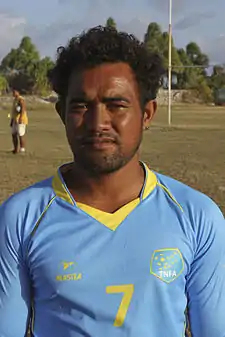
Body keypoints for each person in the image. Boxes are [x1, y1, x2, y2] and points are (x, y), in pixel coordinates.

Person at [0, 26, 224, 337]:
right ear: (62, 114)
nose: (97, 123)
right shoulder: (20, 218)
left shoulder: (198, 217)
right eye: (80, 106)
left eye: (116, 105)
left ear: (147, 113)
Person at [10, 89, 28, 153]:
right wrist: (12, 120)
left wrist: (20, 118)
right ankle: (15, 149)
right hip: (15, 119)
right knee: (13, 134)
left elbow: (23, 109)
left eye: (14, 92)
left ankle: (22, 148)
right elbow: (14, 111)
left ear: (18, 92)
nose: (13, 93)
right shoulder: (15, 100)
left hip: (21, 120)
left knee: (20, 134)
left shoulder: (20, 99)